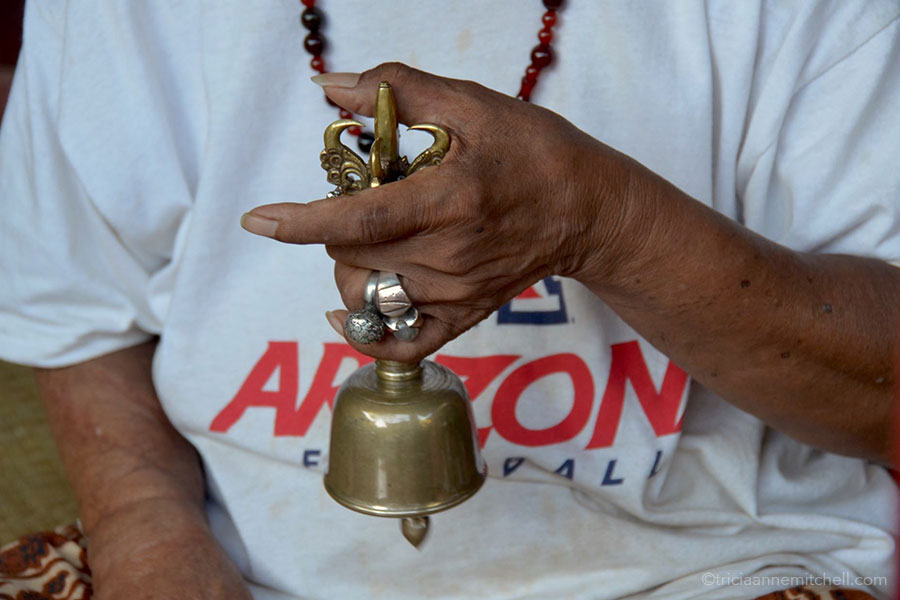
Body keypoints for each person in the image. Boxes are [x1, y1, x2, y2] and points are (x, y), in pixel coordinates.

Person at [0, 1, 898, 599]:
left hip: (705, 571)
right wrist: (152, 541)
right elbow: (77, 307)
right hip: (228, 560)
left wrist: (607, 222)